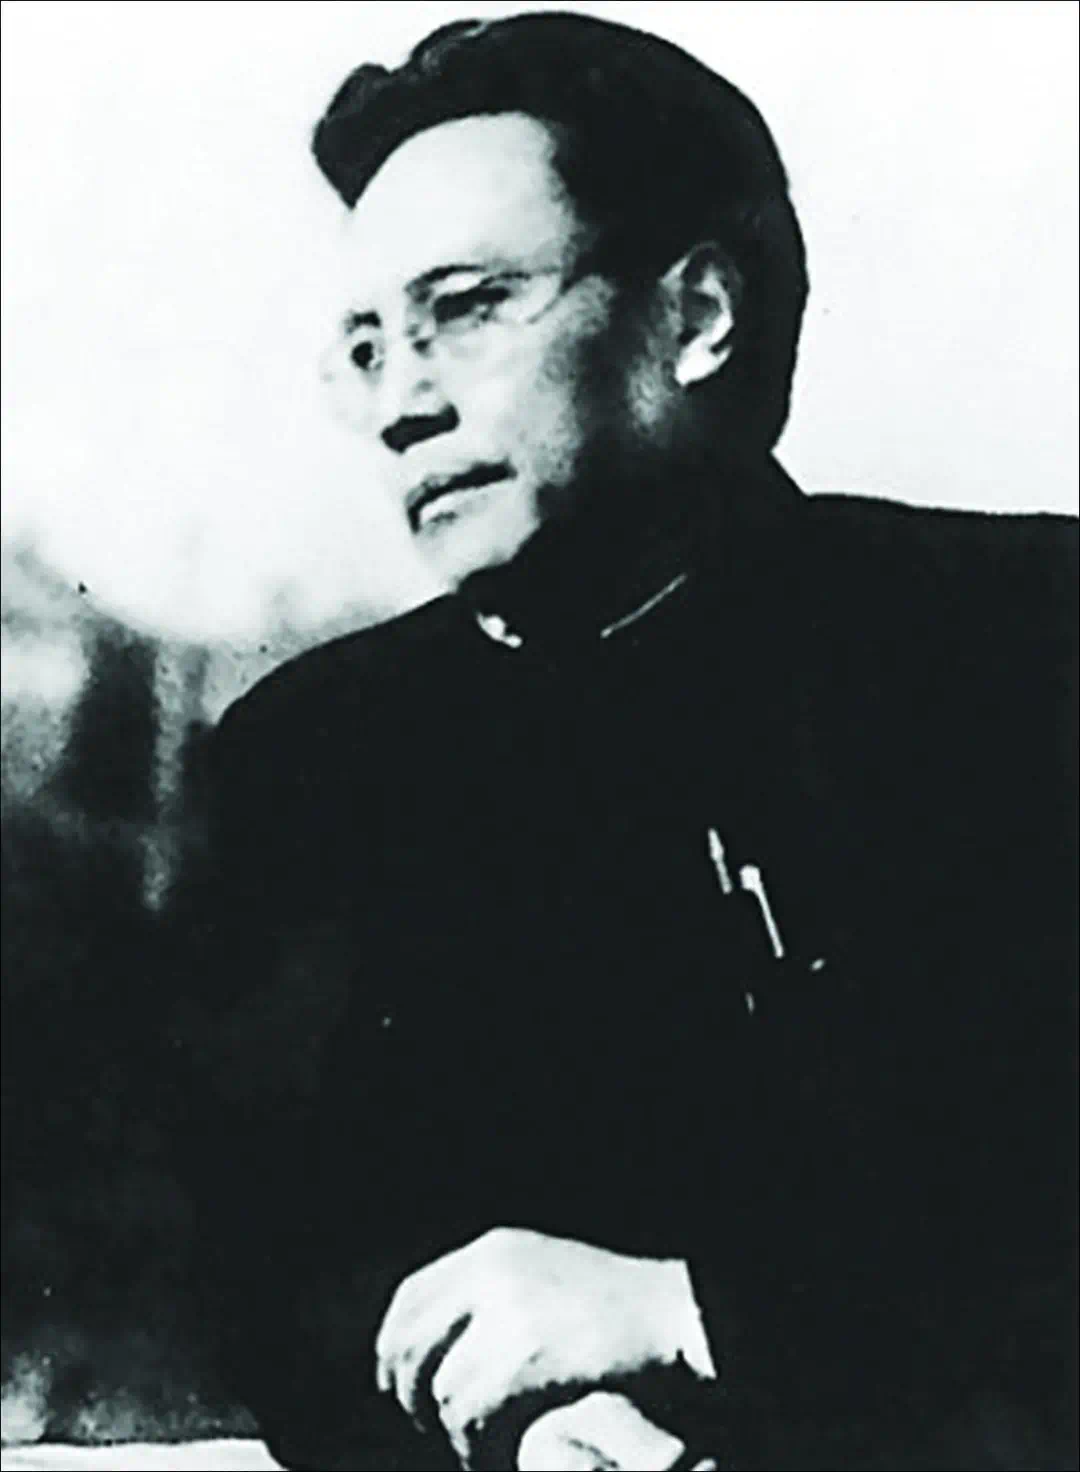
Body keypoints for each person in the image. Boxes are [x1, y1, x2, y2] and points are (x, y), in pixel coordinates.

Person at [176, 12, 1077, 1470]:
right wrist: (530, 1427)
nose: (403, 404)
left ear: (699, 317)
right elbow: (279, 1286)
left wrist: (700, 1314)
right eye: (366, 347)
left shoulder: (1021, 651)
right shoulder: (308, 761)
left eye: (467, 308)